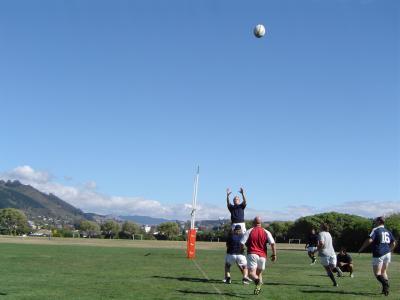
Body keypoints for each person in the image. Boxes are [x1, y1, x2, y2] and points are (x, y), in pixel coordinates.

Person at [358, 217, 396, 296]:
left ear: (379, 221)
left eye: (375, 221)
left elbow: (369, 240)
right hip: (387, 254)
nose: (374, 222)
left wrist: (361, 249)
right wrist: (389, 250)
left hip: (379, 253)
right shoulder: (387, 231)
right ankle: (385, 290)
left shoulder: (375, 230)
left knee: (377, 273)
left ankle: (386, 285)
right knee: (384, 272)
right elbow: (394, 243)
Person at [241, 216, 276, 295]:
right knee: (259, 273)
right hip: (263, 256)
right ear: (261, 223)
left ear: (253, 222)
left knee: (251, 274)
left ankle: (258, 282)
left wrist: (242, 249)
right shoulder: (266, 231)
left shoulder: (249, 231)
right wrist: (274, 255)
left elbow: (241, 243)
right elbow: (273, 244)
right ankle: (258, 289)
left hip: (252, 254)